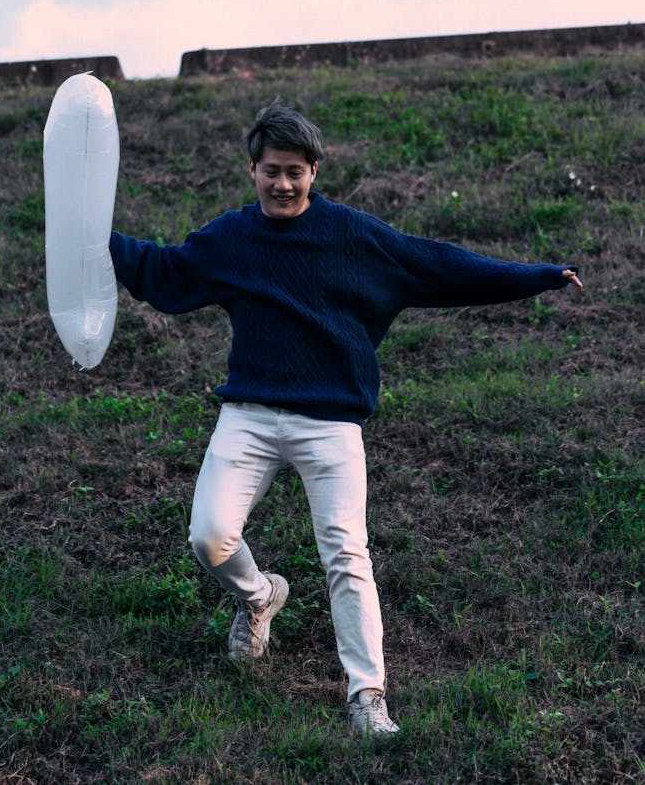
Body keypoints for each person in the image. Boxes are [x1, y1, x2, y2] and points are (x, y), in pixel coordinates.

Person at [109, 100, 582, 738]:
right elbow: (164, 273)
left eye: (295, 172)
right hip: (249, 414)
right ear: (251, 170)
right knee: (209, 536)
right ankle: (260, 597)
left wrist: (537, 277)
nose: (283, 184)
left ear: (314, 171)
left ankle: (367, 697)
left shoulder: (352, 235)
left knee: (346, 555)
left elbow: (432, 263)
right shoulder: (230, 238)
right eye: (272, 170)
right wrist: (91, 238)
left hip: (330, 423)